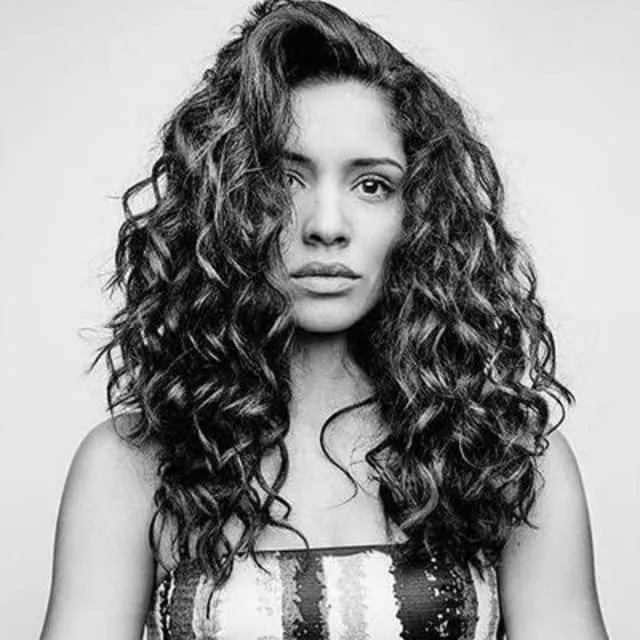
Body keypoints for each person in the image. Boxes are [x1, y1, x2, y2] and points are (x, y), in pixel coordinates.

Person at [40, 1, 609, 638]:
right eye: (286, 179)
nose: (327, 226)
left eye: (372, 185)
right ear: (227, 202)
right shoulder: (128, 466)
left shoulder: (511, 461)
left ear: (420, 214)